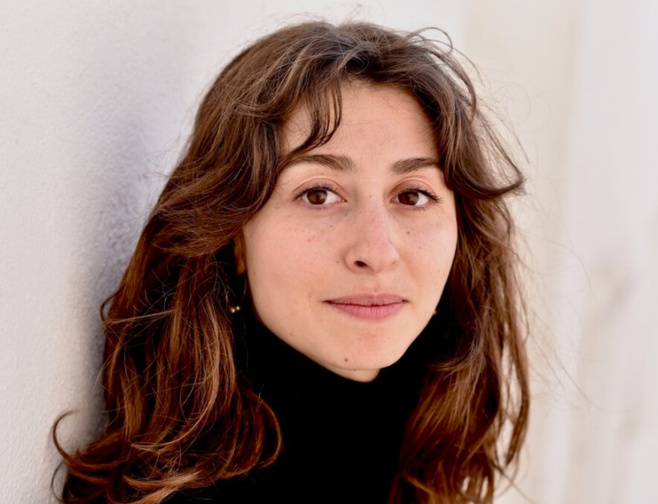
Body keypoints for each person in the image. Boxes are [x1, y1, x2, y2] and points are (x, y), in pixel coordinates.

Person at [54, 20, 529, 504]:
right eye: (318, 194)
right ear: (233, 238)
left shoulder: (425, 456)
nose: (376, 251)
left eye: (412, 195)